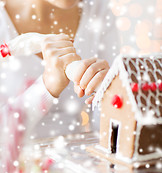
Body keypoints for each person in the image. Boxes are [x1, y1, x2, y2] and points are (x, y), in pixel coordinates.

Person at [0, 0, 118, 139]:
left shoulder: (98, 10)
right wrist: (45, 89)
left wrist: (106, 98)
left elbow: (108, 136)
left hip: (77, 156)